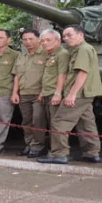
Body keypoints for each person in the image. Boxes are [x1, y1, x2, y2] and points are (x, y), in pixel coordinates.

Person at [38, 24, 102, 164]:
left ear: (81, 35)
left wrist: (72, 94)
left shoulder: (83, 50)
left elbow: (82, 73)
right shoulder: (79, 50)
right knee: (86, 123)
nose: (66, 38)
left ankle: (59, 154)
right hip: (86, 93)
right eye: (64, 36)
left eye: (70, 35)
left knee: (60, 121)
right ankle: (91, 153)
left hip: (79, 93)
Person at [10, 29, 47, 158]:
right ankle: (29, 144)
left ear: (38, 39)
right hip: (24, 93)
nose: (28, 42)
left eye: (31, 39)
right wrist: (15, 92)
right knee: (26, 121)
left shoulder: (45, 54)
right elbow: (16, 76)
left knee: (38, 120)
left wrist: (43, 92)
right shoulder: (22, 56)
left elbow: (49, 76)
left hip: (38, 93)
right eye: (25, 39)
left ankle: (38, 146)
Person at [36, 29, 70, 157]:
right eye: (42, 41)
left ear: (58, 40)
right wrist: (42, 92)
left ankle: (59, 153)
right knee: (52, 124)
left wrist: (58, 93)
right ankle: (54, 150)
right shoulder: (50, 55)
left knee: (57, 124)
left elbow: (63, 74)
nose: (44, 43)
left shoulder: (62, 54)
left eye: (48, 40)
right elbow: (48, 76)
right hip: (47, 92)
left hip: (54, 94)